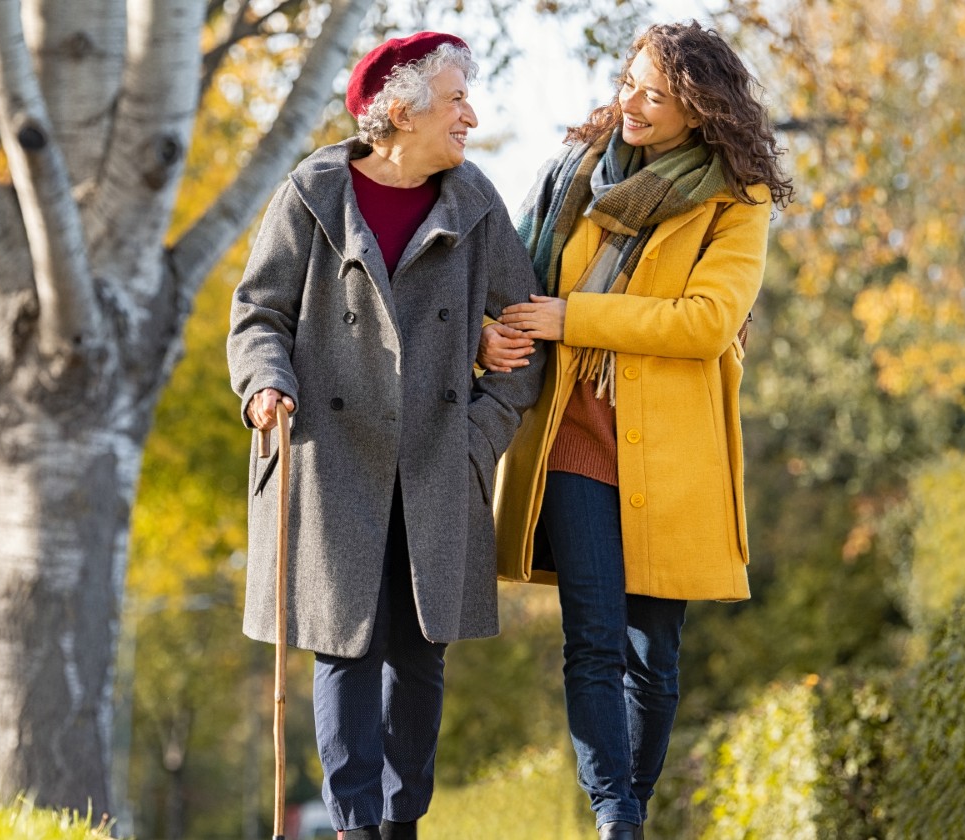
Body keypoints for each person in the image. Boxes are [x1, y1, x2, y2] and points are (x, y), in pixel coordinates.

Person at [478, 21, 795, 840]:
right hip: (573, 435)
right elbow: (517, 270)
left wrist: (575, 317)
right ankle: (615, 815)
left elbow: (704, 320)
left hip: (675, 449)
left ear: (699, 110)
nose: (631, 103)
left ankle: (634, 809)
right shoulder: (579, 172)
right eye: (628, 82)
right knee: (592, 638)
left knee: (654, 655)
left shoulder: (737, 200)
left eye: (654, 94)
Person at [227, 31, 547, 840]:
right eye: (456, 102)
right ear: (399, 114)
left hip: (439, 460)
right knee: (344, 647)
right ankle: (354, 826)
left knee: (420, 655)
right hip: (332, 461)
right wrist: (267, 382)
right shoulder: (312, 194)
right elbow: (258, 314)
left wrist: (480, 436)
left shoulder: (475, 202)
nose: (471, 117)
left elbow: (524, 337)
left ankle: (403, 824)